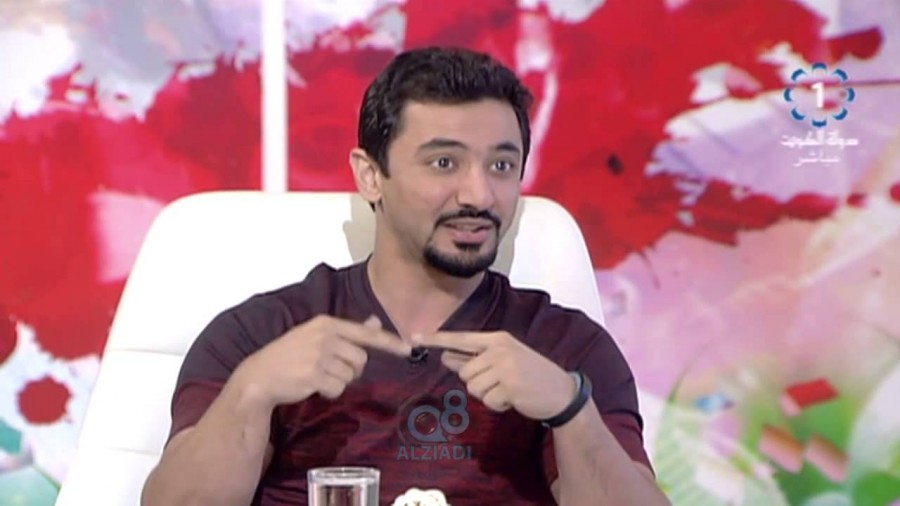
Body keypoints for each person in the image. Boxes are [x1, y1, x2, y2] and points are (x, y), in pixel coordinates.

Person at [141, 46, 670, 506]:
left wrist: (570, 410)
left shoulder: (565, 346)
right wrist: (251, 393)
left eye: (501, 167)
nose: (479, 195)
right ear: (371, 176)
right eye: (444, 163)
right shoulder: (261, 334)